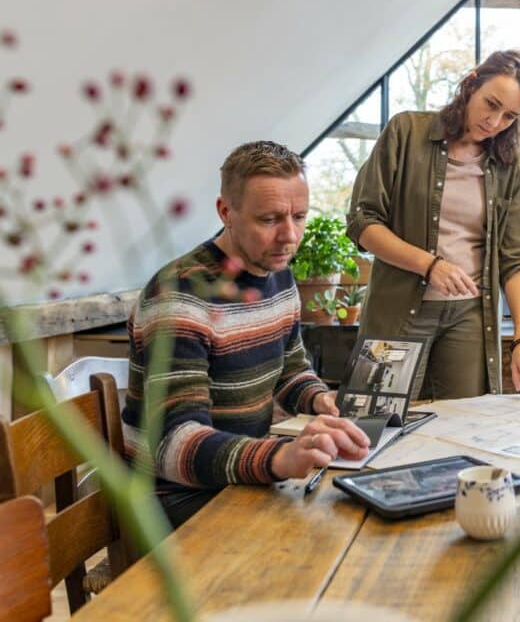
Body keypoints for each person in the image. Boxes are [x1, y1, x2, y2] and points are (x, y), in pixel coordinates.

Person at [125, 140, 371, 528]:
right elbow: (174, 445)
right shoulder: (181, 296)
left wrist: (322, 399)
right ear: (226, 211)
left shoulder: (278, 273)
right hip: (172, 499)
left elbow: (290, 369)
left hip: (237, 483)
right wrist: (278, 458)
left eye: (300, 216)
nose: (290, 236)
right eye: (270, 219)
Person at [347, 50, 520, 400]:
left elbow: (515, 256)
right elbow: (363, 223)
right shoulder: (405, 131)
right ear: (471, 84)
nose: (494, 122)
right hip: (396, 311)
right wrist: (430, 265)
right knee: (371, 422)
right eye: (491, 104)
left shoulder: (509, 166)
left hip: (469, 316)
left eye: (509, 116)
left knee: (466, 431)